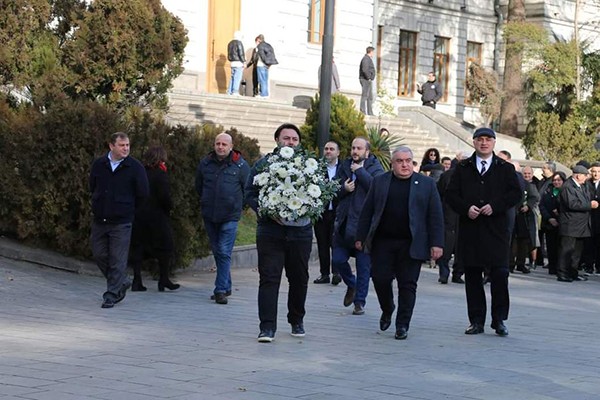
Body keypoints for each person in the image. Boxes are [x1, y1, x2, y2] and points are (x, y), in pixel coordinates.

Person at [355, 146, 443, 340]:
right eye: (400, 161)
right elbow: (367, 211)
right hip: (383, 242)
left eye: (408, 161)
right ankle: (387, 308)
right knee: (380, 279)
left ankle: (402, 324)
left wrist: (437, 243)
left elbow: (435, 216)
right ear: (392, 163)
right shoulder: (380, 182)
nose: (405, 165)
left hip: (412, 243)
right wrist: (360, 237)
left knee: (408, 285)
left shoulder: (427, 184)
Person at [446, 127, 521, 337]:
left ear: (494, 143)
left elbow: (515, 194)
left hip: (496, 230)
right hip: (471, 230)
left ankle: (499, 320)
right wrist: (465, 208)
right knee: (472, 276)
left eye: (488, 139)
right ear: (474, 142)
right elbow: (451, 194)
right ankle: (476, 320)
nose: (484, 143)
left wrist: (495, 206)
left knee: (499, 275)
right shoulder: (463, 167)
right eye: (480, 139)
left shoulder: (504, 168)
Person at [245, 123, 312, 342]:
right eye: (286, 138)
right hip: (270, 231)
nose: (290, 142)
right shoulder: (264, 164)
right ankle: (267, 327)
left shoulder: (309, 166)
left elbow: (320, 194)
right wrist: (265, 209)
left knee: (299, 278)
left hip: (300, 232)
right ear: (277, 141)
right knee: (269, 278)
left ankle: (296, 319)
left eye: (294, 139)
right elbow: (250, 192)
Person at [89, 132, 149, 309]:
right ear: (111, 146)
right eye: (122, 145)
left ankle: (111, 294)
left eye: (128, 145)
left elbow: (143, 193)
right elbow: (92, 186)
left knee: (117, 259)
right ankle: (121, 281)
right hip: (100, 219)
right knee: (99, 253)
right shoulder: (100, 164)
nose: (126, 149)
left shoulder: (135, 167)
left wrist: (128, 210)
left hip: (121, 222)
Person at [196, 133, 250, 304]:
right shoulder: (205, 163)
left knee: (224, 250)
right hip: (210, 214)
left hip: (230, 216)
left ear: (231, 146)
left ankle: (220, 290)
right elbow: (199, 185)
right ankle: (226, 286)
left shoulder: (241, 166)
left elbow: (248, 189)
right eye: (217, 143)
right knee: (218, 252)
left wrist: (238, 207)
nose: (220, 147)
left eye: (224, 144)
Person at [332, 137, 384, 316]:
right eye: (353, 148)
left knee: (364, 268)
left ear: (367, 152)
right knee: (337, 260)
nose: (355, 151)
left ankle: (359, 302)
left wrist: (360, 172)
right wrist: (343, 189)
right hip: (344, 225)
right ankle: (351, 284)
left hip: (365, 228)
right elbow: (333, 191)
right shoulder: (344, 166)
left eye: (359, 149)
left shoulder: (375, 168)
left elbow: (378, 190)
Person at [128, 146, 180, 293]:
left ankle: (137, 280)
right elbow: (164, 197)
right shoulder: (160, 174)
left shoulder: (139, 171)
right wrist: (170, 207)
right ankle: (164, 279)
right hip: (157, 217)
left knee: (138, 247)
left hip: (138, 215)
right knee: (165, 247)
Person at [556, 165, 598, 282]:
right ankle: (563, 273)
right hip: (570, 224)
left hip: (582, 225)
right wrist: (590, 205)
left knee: (577, 252)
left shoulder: (582, 186)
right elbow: (572, 204)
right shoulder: (567, 187)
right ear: (578, 175)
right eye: (585, 176)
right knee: (567, 250)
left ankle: (573, 272)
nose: (586, 178)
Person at [436, 150, 469, 284]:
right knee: (448, 245)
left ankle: (456, 273)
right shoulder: (447, 175)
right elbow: (439, 193)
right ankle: (447, 273)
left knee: (460, 246)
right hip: (450, 214)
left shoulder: (471, 176)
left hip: (463, 215)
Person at [313, 140, 342, 285]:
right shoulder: (317, 168)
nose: (328, 151)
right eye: (326, 149)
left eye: (331, 149)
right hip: (321, 213)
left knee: (335, 243)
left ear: (338, 152)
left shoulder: (344, 168)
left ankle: (336, 272)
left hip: (337, 212)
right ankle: (324, 274)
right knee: (322, 243)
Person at [509, 166, 540, 274]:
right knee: (511, 241)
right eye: (524, 174)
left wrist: (528, 206)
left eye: (528, 173)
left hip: (523, 216)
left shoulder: (528, 185)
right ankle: (510, 263)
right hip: (511, 214)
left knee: (523, 241)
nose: (526, 176)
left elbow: (535, 197)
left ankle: (520, 263)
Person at [539, 171, 567, 275]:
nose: (556, 182)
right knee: (551, 247)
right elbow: (542, 205)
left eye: (559, 180)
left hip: (562, 223)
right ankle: (552, 267)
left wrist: (558, 216)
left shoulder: (566, 191)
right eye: (554, 180)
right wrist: (549, 218)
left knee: (561, 247)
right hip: (549, 223)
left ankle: (560, 267)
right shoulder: (548, 190)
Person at [246, 34, 278, 98]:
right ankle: (265, 94)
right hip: (266, 66)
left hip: (260, 65)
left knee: (261, 80)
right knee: (265, 79)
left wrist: (265, 62)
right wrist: (269, 64)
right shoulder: (269, 46)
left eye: (256, 41)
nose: (256, 43)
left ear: (258, 40)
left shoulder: (259, 46)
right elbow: (271, 56)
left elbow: (261, 56)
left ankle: (263, 94)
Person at [589, 162, 600, 274]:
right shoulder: (587, 184)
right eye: (594, 171)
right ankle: (589, 266)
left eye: (598, 172)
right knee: (589, 244)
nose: (596, 174)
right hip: (589, 219)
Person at [226, 31, 245, 96]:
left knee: (232, 77)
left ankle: (229, 91)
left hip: (232, 62)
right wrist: (244, 61)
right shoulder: (239, 43)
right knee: (237, 77)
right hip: (238, 63)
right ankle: (235, 91)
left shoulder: (230, 43)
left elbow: (229, 54)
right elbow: (241, 54)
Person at [359, 46, 376, 116]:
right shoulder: (365, 59)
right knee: (365, 95)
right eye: (373, 52)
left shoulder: (368, 59)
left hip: (368, 80)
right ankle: (363, 111)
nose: (373, 54)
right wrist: (369, 77)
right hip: (365, 79)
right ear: (371, 52)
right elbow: (365, 69)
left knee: (370, 97)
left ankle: (370, 112)